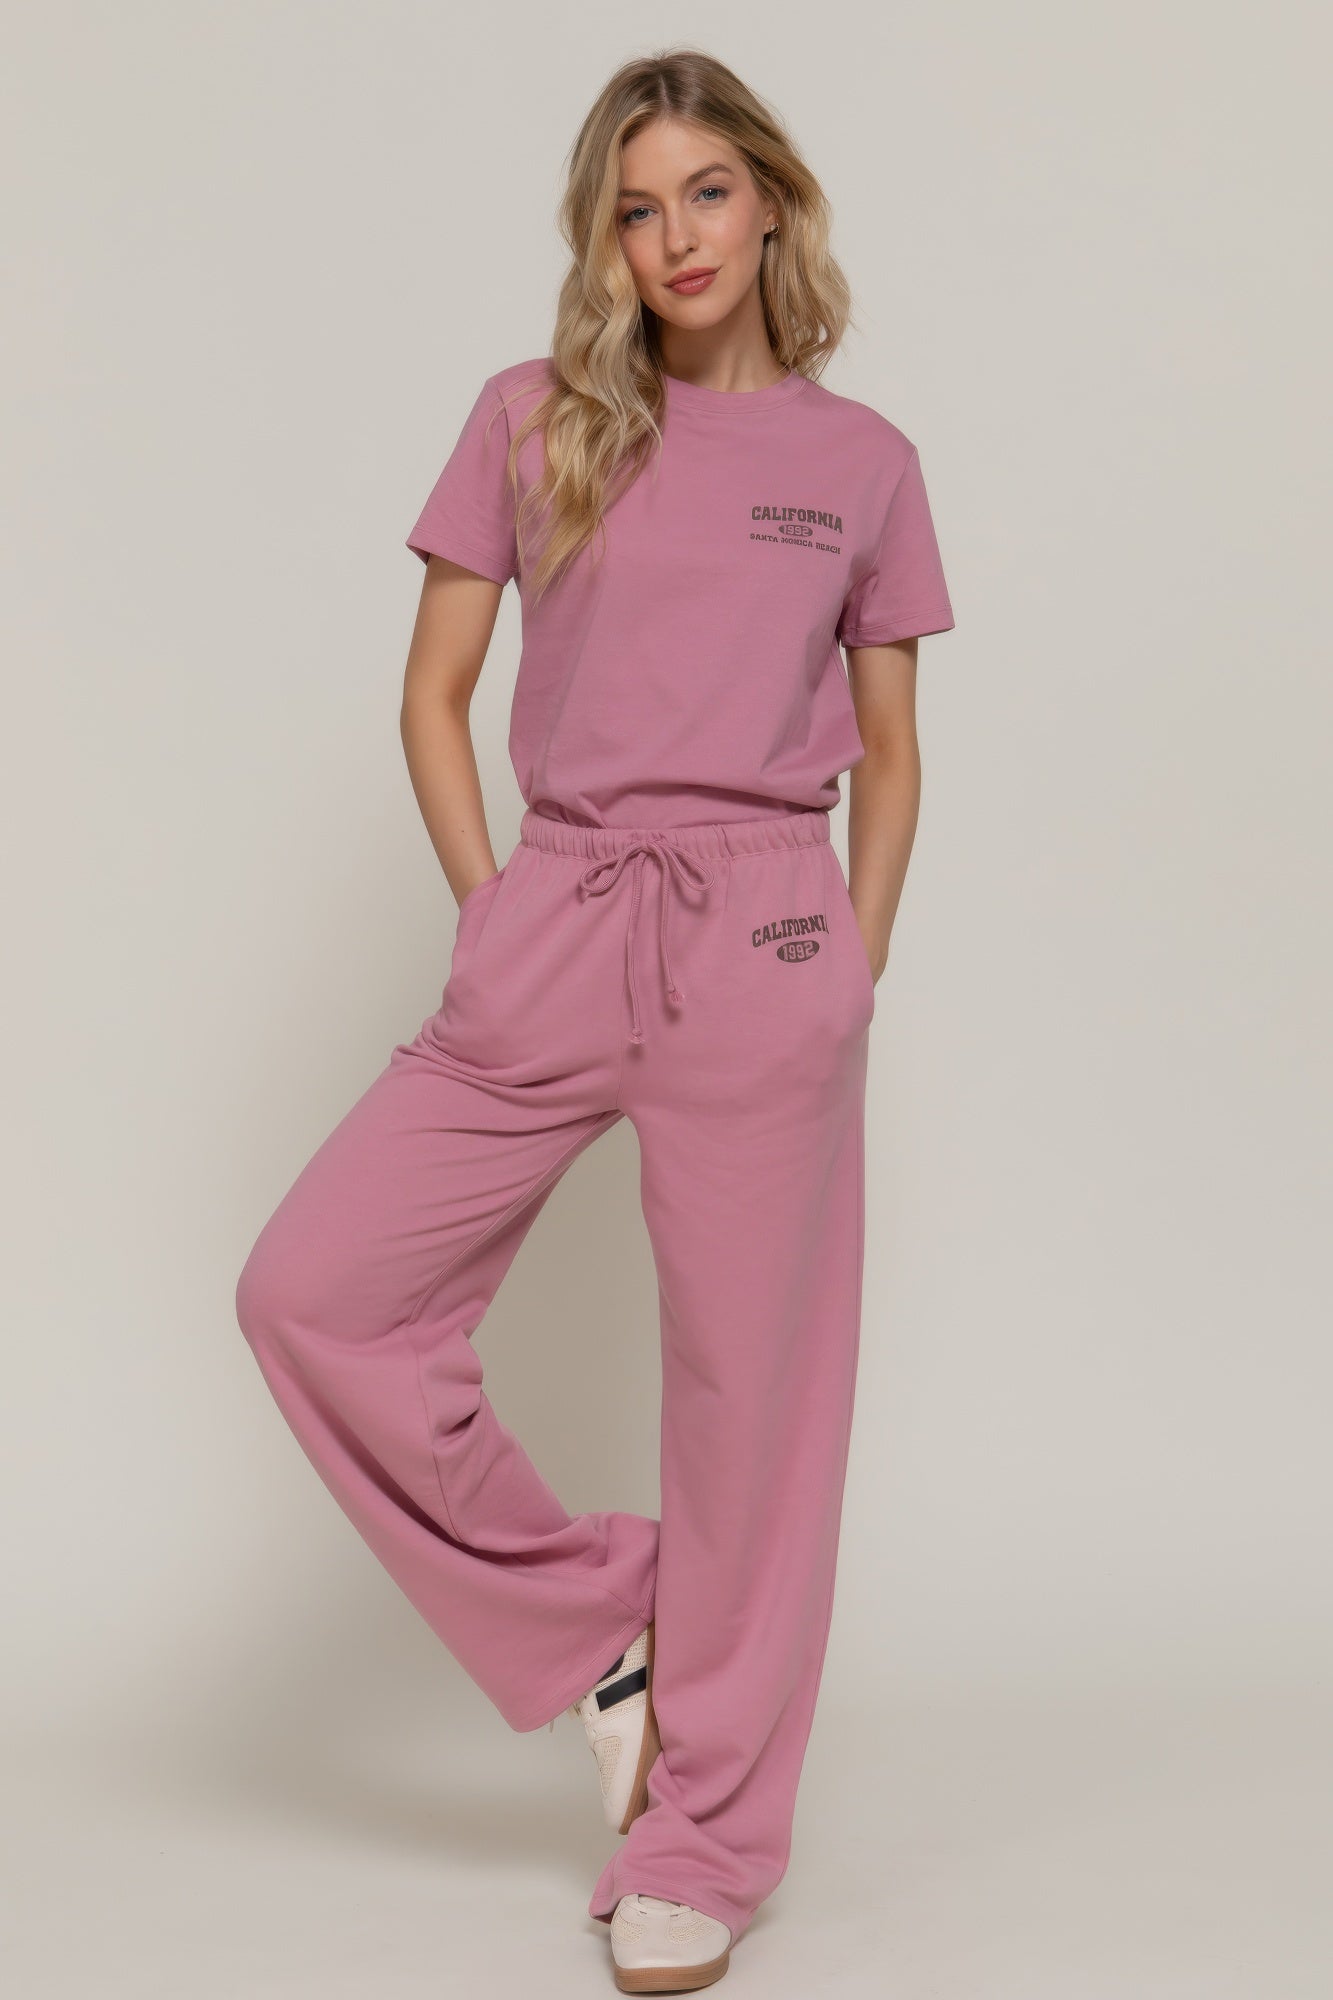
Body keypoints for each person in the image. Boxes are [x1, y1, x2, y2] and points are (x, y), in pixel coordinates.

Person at [234, 45, 954, 1996]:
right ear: (602, 238)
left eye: (706, 192)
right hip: (557, 911)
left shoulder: (861, 461)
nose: (675, 238)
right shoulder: (531, 417)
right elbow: (432, 693)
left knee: (750, 1409)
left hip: (763, 939)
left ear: (771, 200)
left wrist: (850, 959)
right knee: (314, 1292)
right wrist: (495, 911)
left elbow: (892, 749)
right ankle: (599, 1630)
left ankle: (702, 1836)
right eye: (636, 209)